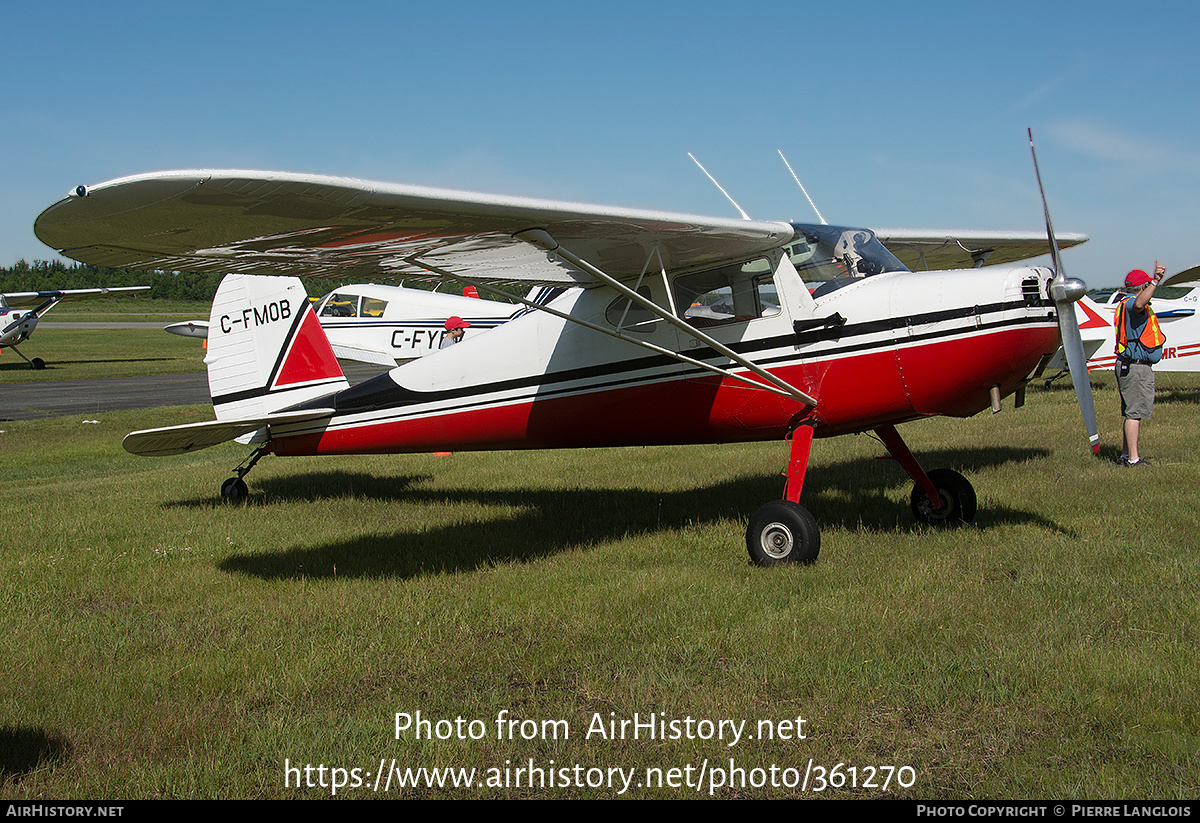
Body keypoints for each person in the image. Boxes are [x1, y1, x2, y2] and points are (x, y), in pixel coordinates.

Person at [1115, 262, 1167, 467]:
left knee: (1131, 413)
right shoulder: (1132, 304)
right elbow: (1139, 305)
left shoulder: (1125, 303)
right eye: (1148, 285)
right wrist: (1156, 281)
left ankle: (1126, 456)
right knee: (1134, 414)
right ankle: (1134, 460)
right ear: (1143, 287)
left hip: (1131, 366)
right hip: (1136, 367)